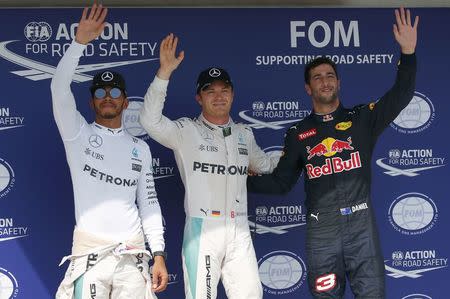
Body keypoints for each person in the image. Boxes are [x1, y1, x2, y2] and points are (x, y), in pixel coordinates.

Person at [247, 7, 419, 298]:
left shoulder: (362, 119)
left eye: (330, 75)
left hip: (361, 228)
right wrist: (240, 179)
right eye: (317, 77)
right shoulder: (298, 133)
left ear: (339, 82)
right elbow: (281, 183)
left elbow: (401, 95)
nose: (325, 81)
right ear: (307, 87)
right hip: (322, 231)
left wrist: (408, 52)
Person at [139, 33, 278, 299]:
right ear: (198, 98)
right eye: (210, 90)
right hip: (202, 232)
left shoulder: (243, 134)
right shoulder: (185, 131)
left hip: (239, 231)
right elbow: (149, 121)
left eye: (224, 90)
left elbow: (266, 164)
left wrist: (299, 150)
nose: (218, 96)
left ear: (233, 94)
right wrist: (164, 73)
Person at [51, 3, 168, 299]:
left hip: (133, 256)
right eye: (100, 93)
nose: (107, 97)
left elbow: (149, 204)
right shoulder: (77, 134)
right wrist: (79, 43)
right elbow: (59, 89)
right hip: (91, 256)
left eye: (115, 92)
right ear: (91, 103)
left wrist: (159, 253)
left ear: (125, 102)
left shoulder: (140, 149)